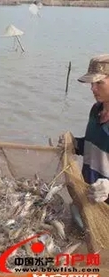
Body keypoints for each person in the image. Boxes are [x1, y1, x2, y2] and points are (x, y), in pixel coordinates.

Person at [59, 54, 109, 230]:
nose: (92, 89)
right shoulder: (96, 110)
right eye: (91, 84)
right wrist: (75, 144)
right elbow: (94, 145)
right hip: (88, 196)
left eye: (99, 83)